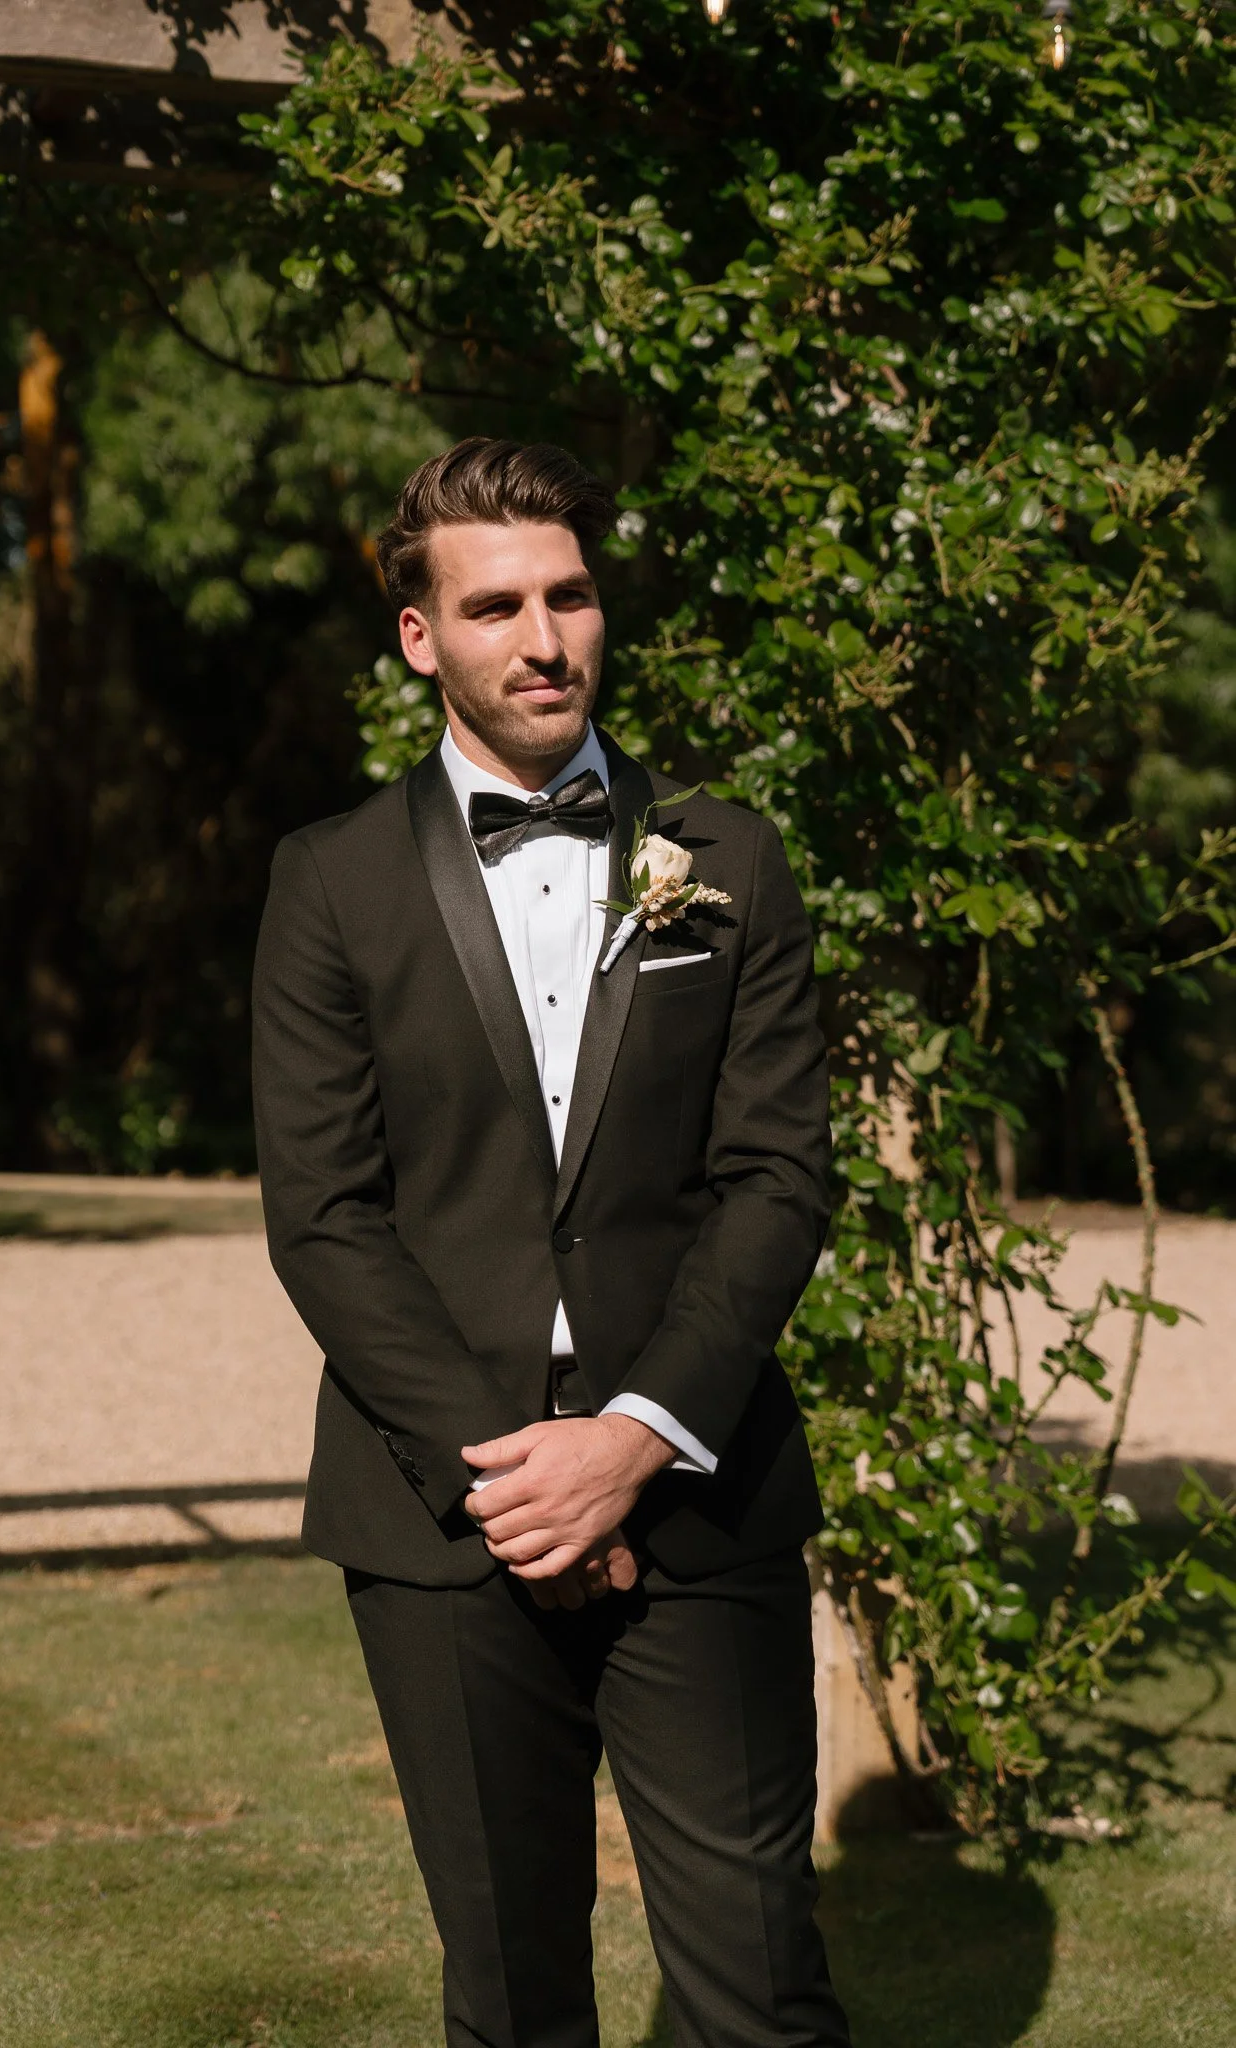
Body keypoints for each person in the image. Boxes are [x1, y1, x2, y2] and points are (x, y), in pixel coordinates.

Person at [252, 437, 850, 2048]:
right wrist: (521, 1476)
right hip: (446, 1524)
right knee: (513, 1997)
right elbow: (323, 1215)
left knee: (759, 1986)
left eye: (571, 595)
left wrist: (636, 1441)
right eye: (498, 603)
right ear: (419, 637)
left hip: (700, 1501)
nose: (544, 637)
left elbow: (779, 1178)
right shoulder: (329, 883)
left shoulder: (729, 861)